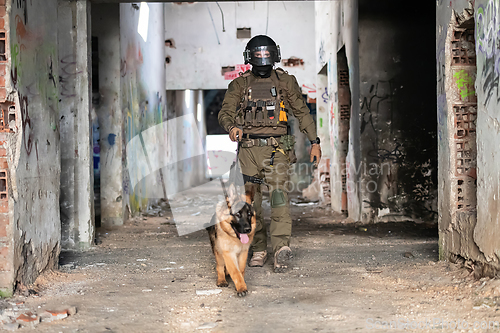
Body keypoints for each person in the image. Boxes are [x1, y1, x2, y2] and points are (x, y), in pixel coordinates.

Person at [218, 35, 322, 272]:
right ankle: (259, 248)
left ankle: (280, 248)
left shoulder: (286, 82)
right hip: (248, 152)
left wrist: (314, 141)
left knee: (279, 199)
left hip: (278, 151)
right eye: (259, 56)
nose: (263, 61)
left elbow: (302, 112)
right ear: (250, 58)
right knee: (250, 205)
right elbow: (225, 112)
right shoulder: (240, 84)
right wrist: (232, 127)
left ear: (274, 56)